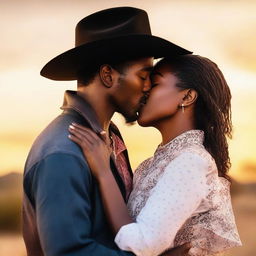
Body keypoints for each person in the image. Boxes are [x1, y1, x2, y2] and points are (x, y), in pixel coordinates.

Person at [22, 7, 192, 256]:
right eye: (144, 76)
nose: (149, 88)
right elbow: (67, 252)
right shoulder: (62, 153)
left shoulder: (108, 136)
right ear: (107, 75)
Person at [68, 55, 242, 256]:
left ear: (186, 97)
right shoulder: (149, 165)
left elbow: (142, 244)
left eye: (155, 83)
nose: (144, 90)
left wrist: (104, 172)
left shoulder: (191, 161)